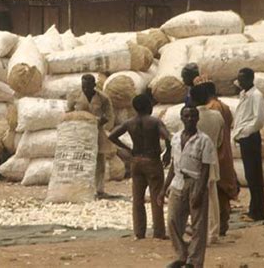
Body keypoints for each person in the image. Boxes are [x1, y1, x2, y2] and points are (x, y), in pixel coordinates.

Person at [158, 105, 216, 268]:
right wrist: (164, 188)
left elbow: (205, 168)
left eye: (193, 116)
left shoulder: (204, 140)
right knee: (173, 221)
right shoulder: (175, 138)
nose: (190, 119)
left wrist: (199, 190)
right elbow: (174, 166)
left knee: (198, 225)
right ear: (181, 118)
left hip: (196, 181)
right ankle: (182, 254)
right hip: (178, 182)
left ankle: (195, 261)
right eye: (186, 116)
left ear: (197, 119)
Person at [109, 94, 171, 239]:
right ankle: (159, 232)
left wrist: (128, 149)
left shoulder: (129, 123)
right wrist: (168, 152)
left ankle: (139, 232)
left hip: (136, 161)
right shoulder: (155, 122)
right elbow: (168, 137)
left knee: (138, 199)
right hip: (152, 161)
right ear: (148, 106)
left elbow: (112, 136)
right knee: (157, 197)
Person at [200, 77, 239, 235]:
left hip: (217, 151)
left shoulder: (213, 108)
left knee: (218, 189)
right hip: (224, 150)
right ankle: (222, 223)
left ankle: (219, 225)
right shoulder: (224, 106)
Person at [67, 74, 115, 198]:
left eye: (88, 87)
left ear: (94, 85)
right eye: (84, 87)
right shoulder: (75, 96)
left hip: (97, 131)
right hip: (80, 133)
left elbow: (109, 116)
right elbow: (68, 113)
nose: (86, 89)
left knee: (99, 160)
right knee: (80, 160)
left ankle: (99, 189)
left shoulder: (103, 98)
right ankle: (79, 188)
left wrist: (98, 121)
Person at [189, 80, 224, 245]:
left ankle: (198, 231)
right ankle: (213, 233)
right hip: (212, 159)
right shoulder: (217, 116)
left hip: (194, 161)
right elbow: (220, 140)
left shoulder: (190, 117)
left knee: (195, 197)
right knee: (212, 197)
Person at [232, 68, 264, 222]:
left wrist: (245, 132)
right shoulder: (244, 94)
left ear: (251, 79)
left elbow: (258, 119)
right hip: (245, 137)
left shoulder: (256, 95)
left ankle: (257, 212)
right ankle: (254, 209)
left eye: (242, 79)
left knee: (254, 176)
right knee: (250, 175)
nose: (239, 82)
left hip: (251, 137)